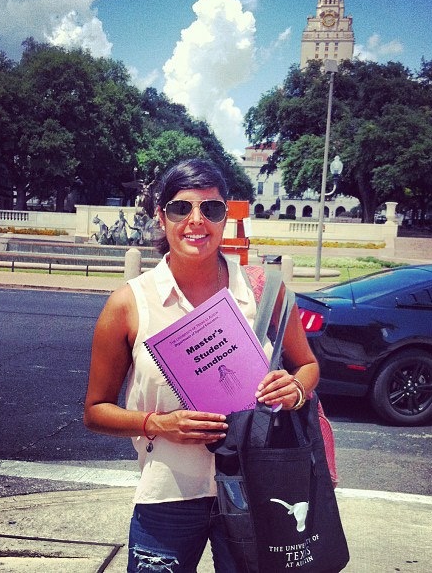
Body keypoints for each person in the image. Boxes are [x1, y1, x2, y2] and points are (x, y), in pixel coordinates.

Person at [83, 158, 319, 572]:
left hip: (256, 489)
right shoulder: (129, 304)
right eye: (181, 208)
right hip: (169, 495)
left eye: (211, 209)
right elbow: (95, 411)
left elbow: (309, 366)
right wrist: (158, 424)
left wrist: (296, 389)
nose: (196, 221)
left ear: (225, 216)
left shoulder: (265, 291)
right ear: (161, 216)